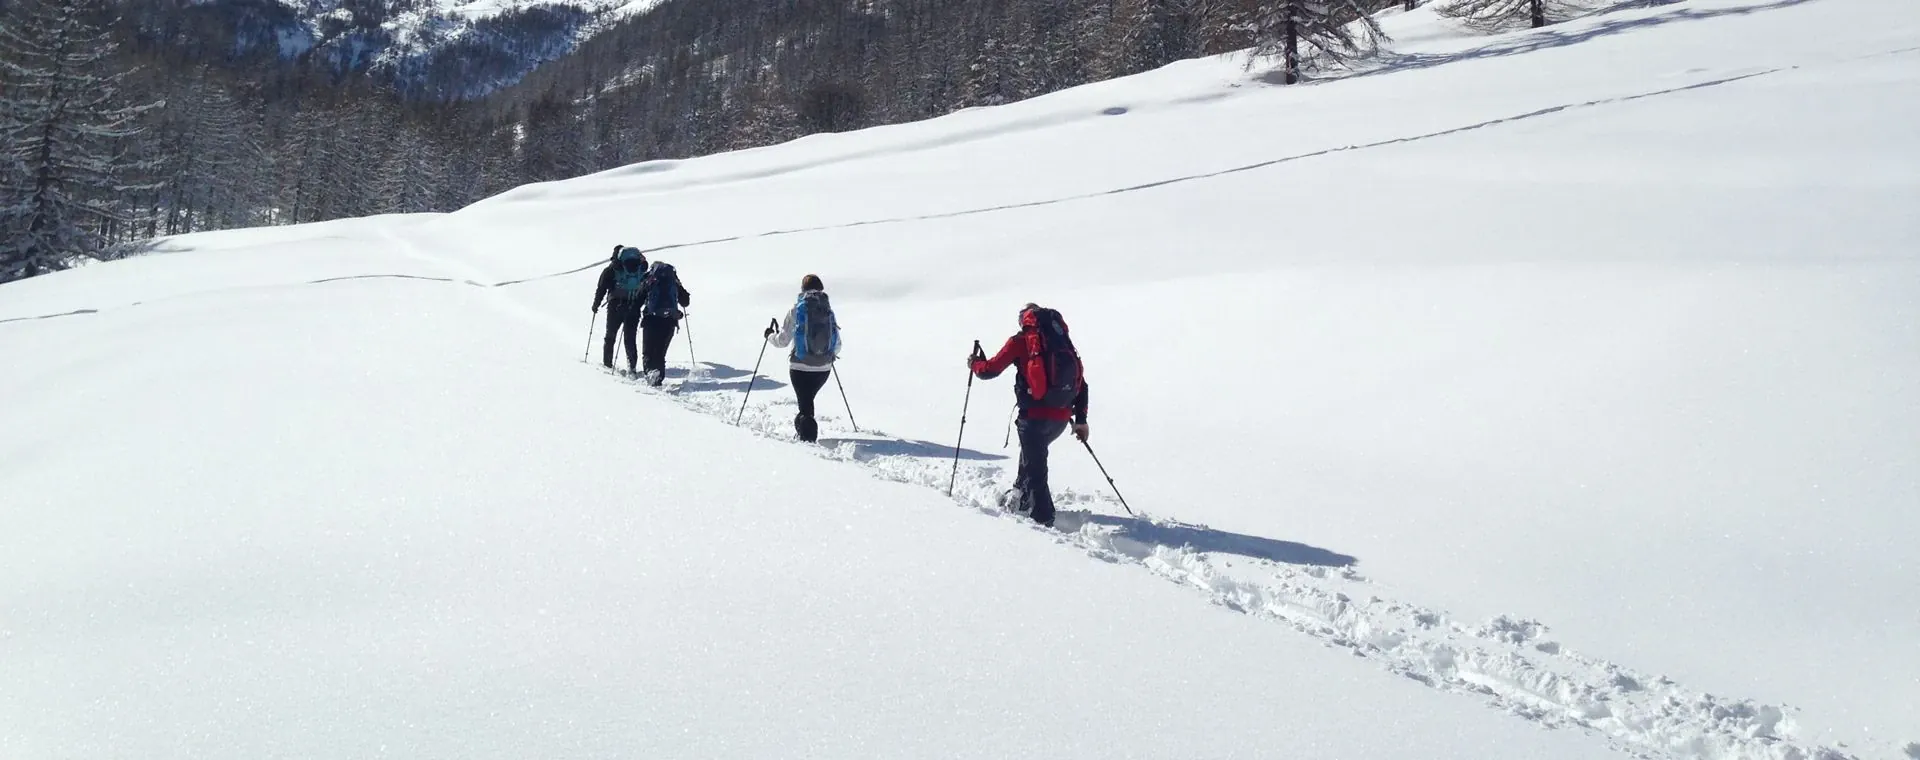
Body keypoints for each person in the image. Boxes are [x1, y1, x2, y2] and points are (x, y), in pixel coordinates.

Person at [969, 304, 1089, 528]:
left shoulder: (1020, 341)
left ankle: (1043, 520)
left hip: (1034, 417)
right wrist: (1081, 420)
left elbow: (990, 370)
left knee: (1036, 470)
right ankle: (1020, 497)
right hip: (1061, 419)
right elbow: (1082, 384)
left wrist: (974, 364)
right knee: (1032, 456)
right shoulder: (1063, 343)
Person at [765, 274, 840, 443]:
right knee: (807, 401)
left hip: (800, 368)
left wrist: (769, 336)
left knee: (805, 407)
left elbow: (783, 341)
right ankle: (803, 430)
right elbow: (838, 344)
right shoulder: (828, 310)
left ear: (803, 289)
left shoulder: (796, 310)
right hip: (824, 369)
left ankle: (807, 444)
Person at [592, 246, 649, 374]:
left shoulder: (612, 269)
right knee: (630, 338)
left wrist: (596, 305)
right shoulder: (640, 267)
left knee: (610, 335)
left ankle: (607, 364)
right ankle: (632, 367)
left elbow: (601, 288)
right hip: (634, 306)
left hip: (615, 305)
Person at [637, 260, 691, 386]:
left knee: (648, 352)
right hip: (670, 320)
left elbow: (639, 297)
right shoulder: (673, 280)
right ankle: (658, 378)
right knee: (660, 353)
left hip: (651, 319)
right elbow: (685, 302)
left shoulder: (650, 279)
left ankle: (651, 377)